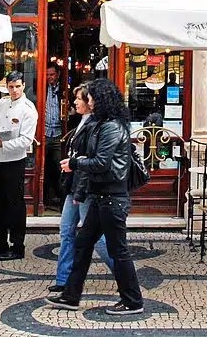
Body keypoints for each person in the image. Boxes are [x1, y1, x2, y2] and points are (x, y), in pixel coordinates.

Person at [47, 78, 144, 316]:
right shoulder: (103, 125)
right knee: (83, 244)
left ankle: (133, 300)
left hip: (112, 199)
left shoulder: (111, 127)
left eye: (90, 98)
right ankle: (71, 296)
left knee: (117, 250)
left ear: (101, 100)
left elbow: (102, 162)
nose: (88, 101)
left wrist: (74, 163)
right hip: (102, 197)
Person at [49, 84, 114, 295]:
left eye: (79, 99)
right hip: (73, 187)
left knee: (95, 236)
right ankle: (63, 278)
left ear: (90, 102)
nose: (74, 102)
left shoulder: (95, 126)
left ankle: (123, 272)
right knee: (66, 230)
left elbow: (88, 162)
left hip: (84, 189)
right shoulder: (82, 123)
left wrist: (79, 192)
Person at [0, 70, 38, 260]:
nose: (14, 90)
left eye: (17, 86)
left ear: (23, 86)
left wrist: (2, 143)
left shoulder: (28, 109)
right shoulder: (2, 103)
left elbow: (26, 140)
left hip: (15, 161)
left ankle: (17, 246)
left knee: (15, 205)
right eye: (11, 87)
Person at [43, 64, 64, 208]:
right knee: (42, 168)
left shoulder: (63, 90)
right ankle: (43, 200)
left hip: (58, 134)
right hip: (43, 133)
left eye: (52, 74)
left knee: (59, 167)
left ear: (57, 75)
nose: (49, 77)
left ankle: (59, 198)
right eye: (47, 75)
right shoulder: (40, 89)